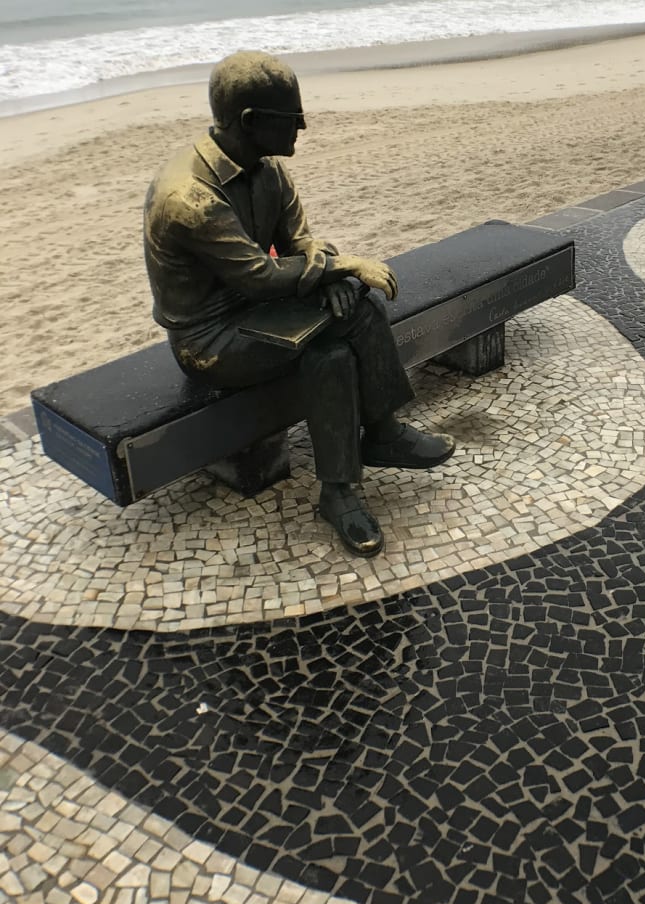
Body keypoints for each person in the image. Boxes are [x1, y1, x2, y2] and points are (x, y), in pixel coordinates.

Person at [143, 50, 454, 557]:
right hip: (213, 340)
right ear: (251, 121)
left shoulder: (266, 171)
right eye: (292, 118)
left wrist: (327, 271)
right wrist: (340, 267)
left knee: (342, 323)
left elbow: (301, 243)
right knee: (348, 310)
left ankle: (345, 483)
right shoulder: (189, 197)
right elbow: (261, 275)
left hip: (262, 308)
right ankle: (376, 440)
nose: (303, 127)